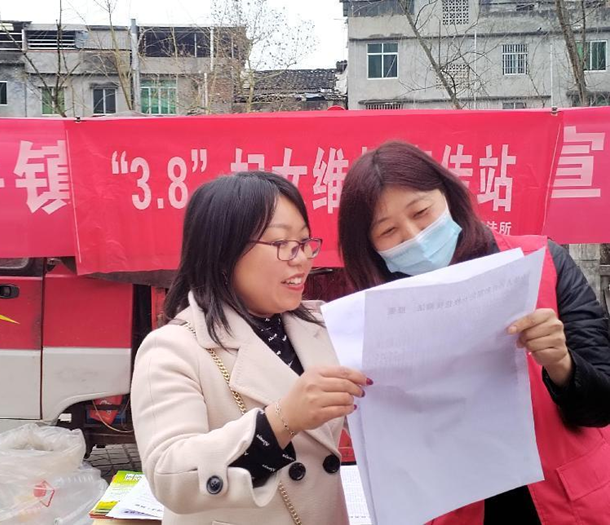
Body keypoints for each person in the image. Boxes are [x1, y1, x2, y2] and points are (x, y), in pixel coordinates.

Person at [338, 141, 610, 525]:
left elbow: (602, 405)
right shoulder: (368, 323)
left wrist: (562, 364)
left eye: (422, 212)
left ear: (448, 196)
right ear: (369, 247)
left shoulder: (542, 262)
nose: (414, 236)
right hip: (457, 509)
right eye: (389, 231)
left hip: (568, 503)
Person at [131, 171, 369, 525]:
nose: (302, 258)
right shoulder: (172, 349)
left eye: (304, 241)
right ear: (223, 252)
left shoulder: (322, 326)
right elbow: (170, 476)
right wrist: (282, 420)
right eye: (282, 243)